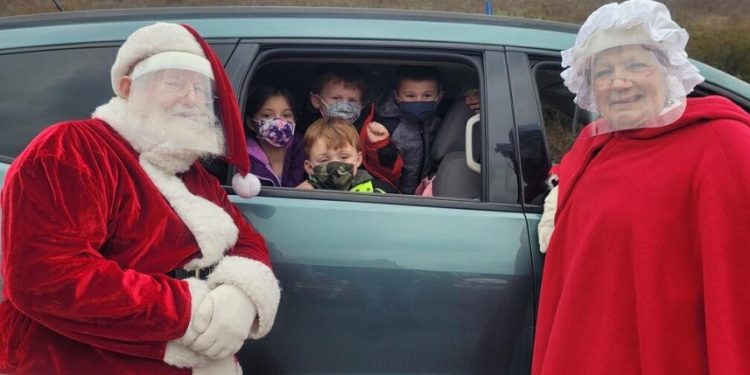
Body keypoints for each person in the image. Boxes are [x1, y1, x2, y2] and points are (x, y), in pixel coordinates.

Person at [0, 22, 281, 374]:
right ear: (128, 87)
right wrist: (195, 312)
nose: (191, 98)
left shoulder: (191, 173)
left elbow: (246, 239)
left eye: (198, 87)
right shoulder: (71, 149)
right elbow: (48, 277)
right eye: (174, 83)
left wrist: (240, 294)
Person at [532, 1, 750, 374]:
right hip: (592, 347)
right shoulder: (594, 146)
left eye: (636, 65)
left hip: (671, 351)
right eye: (604, 72)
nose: (620, 82)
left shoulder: (723, 142)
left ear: (668, 71)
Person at [306, 64, 403, 191]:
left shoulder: (371, 130)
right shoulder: (306, 129)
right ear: (316, 100)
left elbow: (390, 176)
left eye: (352, 100)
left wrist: (380, 146)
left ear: (361, 104)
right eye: (336, 98)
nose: (344, 105)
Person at [374, 65, 443, 194]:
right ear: (397, 96)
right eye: (410, 96)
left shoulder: (440, 120)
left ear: (439, 96)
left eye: (427, 95)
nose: (419, 101)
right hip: (394, 193)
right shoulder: (386, 125)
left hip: (426, 192)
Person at [297, 117, 396, 193]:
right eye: (324, 160)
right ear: (309, 167)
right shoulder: (303, 194)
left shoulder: (377, 191)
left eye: (344, 157)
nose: (335, 164)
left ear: (358, 160)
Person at [245, 84, 306, 187]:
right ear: (251, 123)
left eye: (286, 115)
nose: (279, 122)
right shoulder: (242, 160)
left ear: (295, 120)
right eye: (267, 115)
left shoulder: (307, 151)